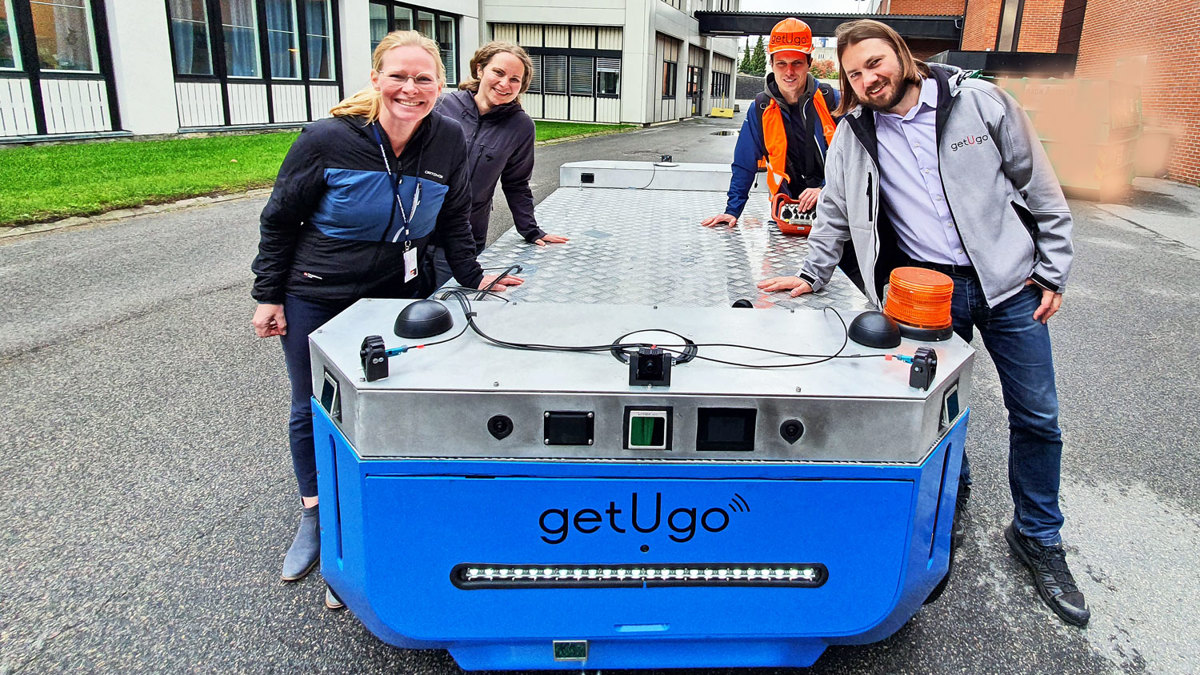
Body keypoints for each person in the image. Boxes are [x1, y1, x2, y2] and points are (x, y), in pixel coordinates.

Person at [759, 19, 1088, 627]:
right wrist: (810, 273)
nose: (868, 79)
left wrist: (1053, 270)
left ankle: (1038, 535)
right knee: (936, 412)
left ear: (901, 54)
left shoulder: (979, 103)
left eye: (875, 63)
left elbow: (1039, 185)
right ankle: (949, 501)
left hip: (1010, 286)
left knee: (1038, 414)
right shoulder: (855, 133)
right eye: (854, 73)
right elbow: (835, 210)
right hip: (926, 293)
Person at [250, 30, 522, 607]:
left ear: (441, 85)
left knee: (392, 399)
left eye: (424, 79)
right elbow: (279, 220)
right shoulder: (327, 138)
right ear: (376, 78)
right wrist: (268, 296)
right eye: (398, 76)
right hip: (317, 291)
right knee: (314, 404)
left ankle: (383, 510)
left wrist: (474, 276)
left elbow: (453, 216)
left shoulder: (447, 138)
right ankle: (318, 516)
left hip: (395, 293)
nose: (410, 89)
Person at [701, 18, 861, 291]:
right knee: (778, 288)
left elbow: (858, 160)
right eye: (781, 63)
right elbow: (744, 163)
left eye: (796, 63)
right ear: (772, 64)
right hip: (785, 217)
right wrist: (732, 210)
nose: (789, 72)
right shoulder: (761, 108)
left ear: (809, 63)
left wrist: (825, 189)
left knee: (842, 290)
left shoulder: (833, 101)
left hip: (837, 219)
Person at [432, 41, 567, 287]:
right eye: (498, 72)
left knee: (450, 300)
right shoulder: (440, 106)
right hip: (416, 232)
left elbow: (517, 183)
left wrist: (531, 230)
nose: (505, 84)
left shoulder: (520, 126)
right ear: (480, 70)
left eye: (515, 79)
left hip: (464, 237)